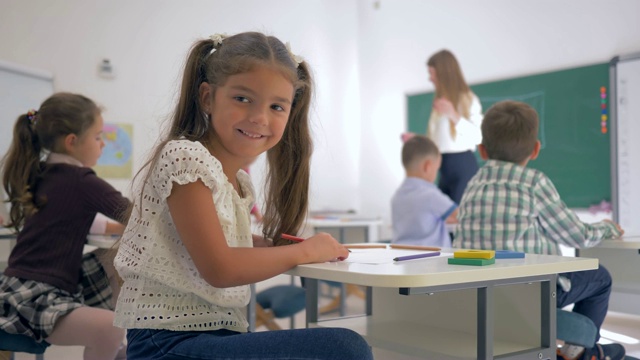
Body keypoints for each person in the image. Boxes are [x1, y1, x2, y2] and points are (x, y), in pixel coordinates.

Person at [113, 32, 373, 360]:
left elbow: (215, 241)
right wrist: (304, 252)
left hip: (215, 333)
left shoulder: (236, 182)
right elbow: (220, 267)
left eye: (277, 106)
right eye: (242, 99)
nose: (259, 118)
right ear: (207, 98)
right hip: (167, 343)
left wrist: (267, 244)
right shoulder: (184, 157)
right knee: (345, 348)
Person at [454, 100, 626, 360]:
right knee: (600, 276)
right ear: (535, 150)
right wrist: (606, 228)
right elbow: (576, 235)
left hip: (478, 296)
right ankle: (581, 353)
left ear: (482, 150)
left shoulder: (473, 185)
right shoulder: (534, 183)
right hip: (532, 296)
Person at [0, 93, 131, 359]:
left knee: (115, 259)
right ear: (72, 142)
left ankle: (117, 349)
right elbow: (133, 213)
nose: (102, 144)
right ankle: (116, 344)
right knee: (110, 328)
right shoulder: (80, 180)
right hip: (37, 293)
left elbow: (80, 221)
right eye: (97, 137)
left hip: (24, 283)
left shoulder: (45, 173)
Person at [425, 49, 483, 204]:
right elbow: (437, 140)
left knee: (459, 219)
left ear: (443, 73)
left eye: (432, 73)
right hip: (443, 167)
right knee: (445, 220)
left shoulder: (469, 100)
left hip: (462, 165)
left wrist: (454, 115)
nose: (430, 78)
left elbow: (478, 137)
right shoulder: (438, 104)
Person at [391, 135, 457, 248]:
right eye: (437, 169)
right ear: (427, 166)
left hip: (401, 257)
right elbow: (461, 215)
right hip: (431, 259)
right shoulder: (431, 195)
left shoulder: (397, 196)